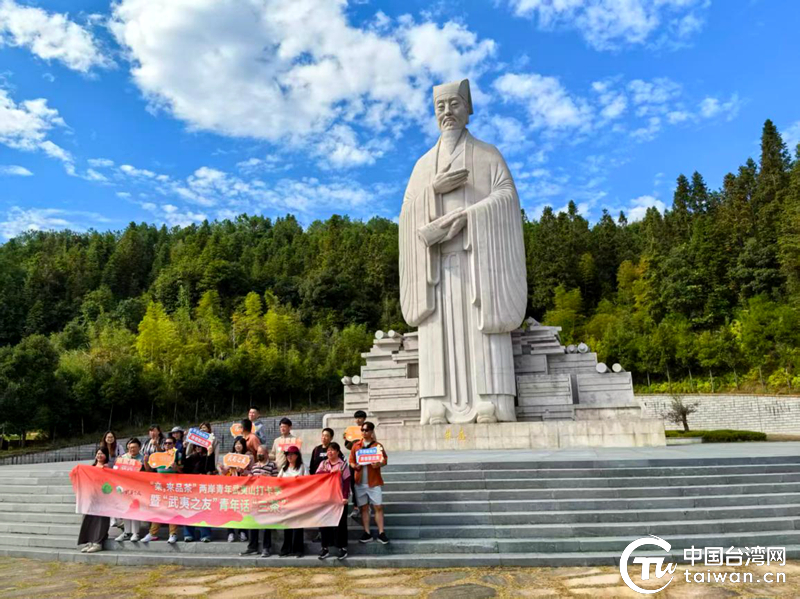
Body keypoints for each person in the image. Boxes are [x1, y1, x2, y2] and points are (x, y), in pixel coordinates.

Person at [349, 421, 389, 545]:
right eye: (363, 430)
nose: (364, 432)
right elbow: (351, 461)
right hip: (360, 482)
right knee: (364, 508)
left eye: (367, 430)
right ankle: (367, 532)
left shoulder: (377, 446)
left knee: (378, 506)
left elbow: (384, 459)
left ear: (371, 432)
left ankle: (381, 532)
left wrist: (379, 464)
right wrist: (355, 466)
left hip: (374, 481)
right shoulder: (356, 446)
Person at [141, 436, 183, 544]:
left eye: (170, 443)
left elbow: (183, 471)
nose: (167, 445)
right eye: (166, 444)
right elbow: (150, 470)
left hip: (173, 486)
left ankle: (172, 534)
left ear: (174, 445)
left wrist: (176, 468)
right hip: (159, 486)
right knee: (157, 508)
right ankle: (153, 533)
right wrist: (146, 462)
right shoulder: (158, 456)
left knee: (171, 509)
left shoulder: (178, 455)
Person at [240, 448, 278, 558]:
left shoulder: (272, 465)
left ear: (267, 453)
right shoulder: (255, 466)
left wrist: (269, 478)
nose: (260, 454)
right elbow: (250, 479)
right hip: (255, 499)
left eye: (262, 452)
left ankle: (266, 548)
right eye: (258, 452)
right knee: (253, 523)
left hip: (267, 499)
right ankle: (252, 547)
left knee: (266, 525)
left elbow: (277, 480)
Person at [316, 442, 350, 561]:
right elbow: (317, 478)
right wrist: (329, 474)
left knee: (341, 524)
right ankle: (325, 548)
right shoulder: (323, 464)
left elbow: (346, 482)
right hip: (325, 499)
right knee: (325, 524)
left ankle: (342, 548)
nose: (330, 452)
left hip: (339, 499)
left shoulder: (343, 464)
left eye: (332, 450)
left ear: (338, 452)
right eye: (328, 450)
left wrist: (345, 496)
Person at [77, 448, 111, 553]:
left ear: (106, 456)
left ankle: (98, 542)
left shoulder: (109, 468)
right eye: (98, 453)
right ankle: (89, 541)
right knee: (89, 519)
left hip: (103, 497)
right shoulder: (91, 468)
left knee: (101, 520)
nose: (100, 455)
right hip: (91, 497)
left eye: (102, 454)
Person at [219, 436, 251, 542]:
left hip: (244, 487)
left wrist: (243, 471)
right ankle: (231, 532)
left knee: (243, 509)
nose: (238, 446)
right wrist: (222, 469)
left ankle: (243, 532)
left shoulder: (248, 456)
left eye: (240, 444)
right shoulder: (230, 457)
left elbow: (252, 472)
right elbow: (225, 472)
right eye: (236, 444)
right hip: (231, 486)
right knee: (230, 509)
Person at [277, 445, 307, 557]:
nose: (289, 456)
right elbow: (277, 482)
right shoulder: (284, 468)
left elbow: (308, 481)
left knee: (298, 525)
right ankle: (286, 548)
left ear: (297, 455)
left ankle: (298, 549)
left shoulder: (302, 467)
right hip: (286, 501)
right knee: (287, 525)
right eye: (287, 454)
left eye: (291, 454)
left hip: (299, 500)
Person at [182, 445, 216, 543]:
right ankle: (188, 534)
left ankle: (205, 534)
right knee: (188, 510)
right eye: (196, 446)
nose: (198, 448)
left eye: (200, 446)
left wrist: (210, 454)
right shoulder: (191, 458)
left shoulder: (208, 457)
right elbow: (184, 468)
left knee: (203, 510)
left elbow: (210, 469)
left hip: (203, 488)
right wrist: (184, 448)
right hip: (191, 488)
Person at [114, 438, 145, 543]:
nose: (132, 449)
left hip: (137, 488)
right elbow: (116, 472)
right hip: (124, 488)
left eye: (134, 447)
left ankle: (136, 533)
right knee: (126, 510)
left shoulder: (142, 458)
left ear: (139, 448)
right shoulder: (123, 458)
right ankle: (127, 532)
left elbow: (148, 473)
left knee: (135, 510)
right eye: (130, 447)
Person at [344, 410, 367, 521]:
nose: (358, 420)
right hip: (353, 461)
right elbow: (348, 447)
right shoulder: (352, 431)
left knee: (363, 485)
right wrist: (347, 440)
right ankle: (356, 506)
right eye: (356, 418)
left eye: (360, 418)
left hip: (364, 461)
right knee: (353, 484)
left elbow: (373, 445)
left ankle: (364, 507)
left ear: (364, 419)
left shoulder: (367, 430)